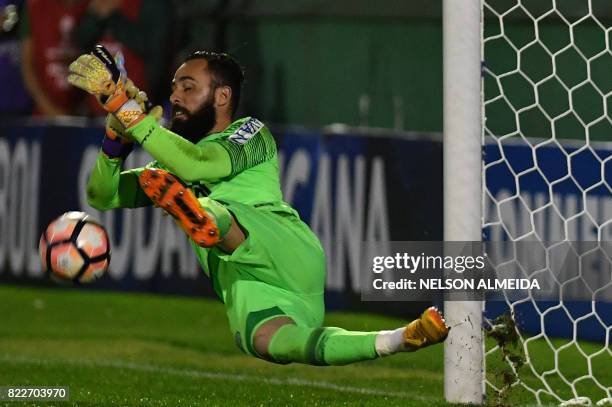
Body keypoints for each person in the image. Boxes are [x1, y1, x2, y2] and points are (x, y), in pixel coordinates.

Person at [70, 45, 450, 365]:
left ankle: (204, 216)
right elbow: (102, 195)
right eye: (173, 88)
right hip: (246, 284)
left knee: (216, 209)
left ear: (222, 96)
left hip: (283, 249)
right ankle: (398, 338)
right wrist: (114, 139)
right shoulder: (167, 169)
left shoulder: (250, 134)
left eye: (188, 87)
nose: (174, 97)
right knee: (271, 343)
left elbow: (196, 164)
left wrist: (126, 108)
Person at [20, 0, 88, 116]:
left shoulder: (92, 6)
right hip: (43, 117)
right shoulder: (33, 6)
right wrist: (49, 109)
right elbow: (27, 65)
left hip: (86, 116)